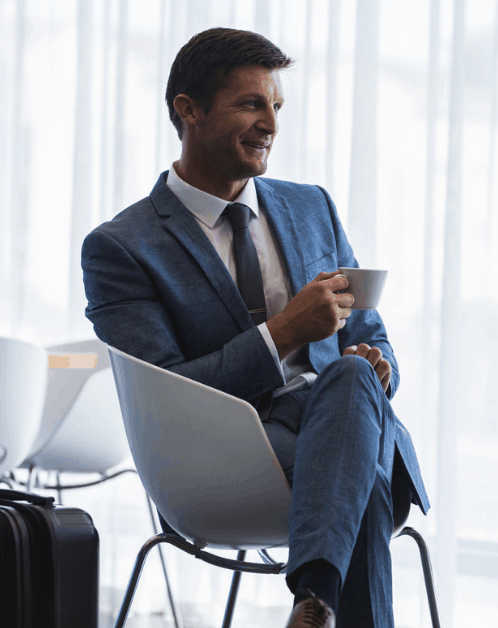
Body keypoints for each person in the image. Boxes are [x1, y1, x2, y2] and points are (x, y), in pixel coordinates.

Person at [81, 28, 428, 628]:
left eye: (276, 106)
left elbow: (369, 329)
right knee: (361, 471)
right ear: (187, 110)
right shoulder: (122, 247)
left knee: (350, 381)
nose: (270, 122)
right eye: (250, 103)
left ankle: (314, 599)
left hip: (337, 424)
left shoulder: (310, 205)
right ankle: (316, 592)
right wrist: (284, 333)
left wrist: (379, 366)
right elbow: (171, 397)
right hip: (229, 456)